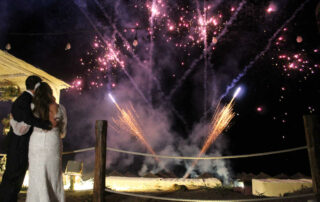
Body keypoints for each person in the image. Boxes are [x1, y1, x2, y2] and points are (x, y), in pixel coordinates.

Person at [0, 75, 52, 202]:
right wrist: (46, 124)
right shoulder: (25, 99)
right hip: (18, 144)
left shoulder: (26, 99)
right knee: (13, 175)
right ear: (36, 87)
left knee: (16, 175)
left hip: (19, 144)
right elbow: (27, 118)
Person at [26, 82, 67, 202]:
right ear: (50, 92)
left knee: (37, 174)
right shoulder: (60, 108)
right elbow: (63, 131)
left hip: (36, 141)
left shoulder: (32, 108)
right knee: (54, 175)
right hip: (53, 141)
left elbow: (23, 127)